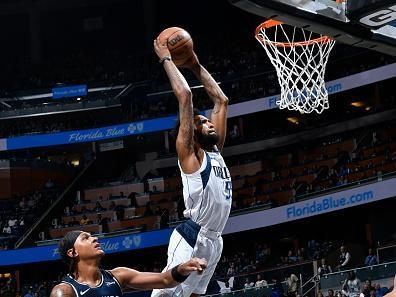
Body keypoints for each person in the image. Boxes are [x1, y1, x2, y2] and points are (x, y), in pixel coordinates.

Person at [152, 33, 231, 297]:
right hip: (191, 235)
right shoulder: (191, 155)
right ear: (192, 132)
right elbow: (185, 96)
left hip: (215, 240)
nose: (210, 122)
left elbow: (221, 101)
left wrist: (195, 64)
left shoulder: (215, 152)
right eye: (203, 122)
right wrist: (166, 59)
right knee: (168, 294)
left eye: (209, 121)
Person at [50, 231, 207, 297]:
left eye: (92, 236)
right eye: (86, 238)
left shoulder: (118, 276)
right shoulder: (64, 291)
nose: (95, 239)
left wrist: (183, 267)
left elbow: (165, 280)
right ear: (73, 253)